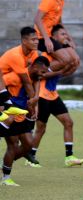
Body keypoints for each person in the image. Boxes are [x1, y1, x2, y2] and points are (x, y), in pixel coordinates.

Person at [29, 25, 83, 168]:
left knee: (68, 122)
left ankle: (69, 157)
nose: (65, 37)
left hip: (53, 95)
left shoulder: (62, 57)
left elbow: (63, 72)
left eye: (66, 34)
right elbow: (41, 76)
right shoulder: (45, 57)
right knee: (41, 129)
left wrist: (69, 67)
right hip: (42, 96)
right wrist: (61, 70)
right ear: (53, 38)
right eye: (62, 34)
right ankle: (31, 156)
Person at [1, 56, 49, 186]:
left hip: (22, 114)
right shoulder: (15, 75)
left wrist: (35, 108)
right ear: (35, 66)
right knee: (13, 144)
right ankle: (6, 178)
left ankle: (6, 163)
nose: (43, 75)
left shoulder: (34, 79)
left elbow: (34, 97)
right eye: (42, 72)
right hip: (9, 113)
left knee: (29, 144)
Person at [34, 0, 79, 74]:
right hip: (42, 38)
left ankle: (49, 78)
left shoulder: (61, 0)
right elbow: (37, 19)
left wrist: (69, 39)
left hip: (52, 37)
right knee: (66, 60)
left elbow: (59, 22)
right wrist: (46, 39)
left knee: (75, 62)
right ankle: (36, 73)